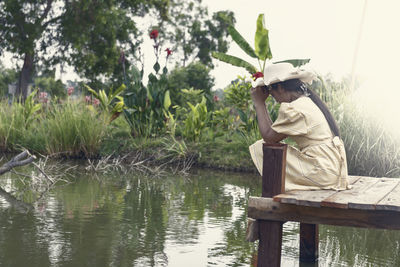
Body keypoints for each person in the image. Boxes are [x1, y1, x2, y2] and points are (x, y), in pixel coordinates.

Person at [249, 63, 350, 191]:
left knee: (262, 147)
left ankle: (275, 191)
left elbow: (269, 137)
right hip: (331, 169)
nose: (275, 99)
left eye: (272, 93)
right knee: (271, 147)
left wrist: (259, 103)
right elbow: (273, 133)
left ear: (280, 87)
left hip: (323, 172)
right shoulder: (307, 102)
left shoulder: (295, 109)